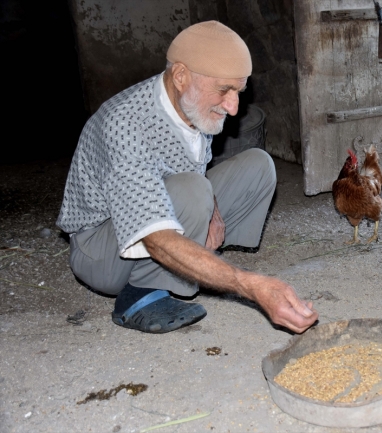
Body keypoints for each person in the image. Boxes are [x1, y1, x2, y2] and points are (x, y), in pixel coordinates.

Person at [57, 21, 318, 334]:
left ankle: (196, 262)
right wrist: (250, 285)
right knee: (192, 191)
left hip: (161, 211)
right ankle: (139, 296)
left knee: (258, 166)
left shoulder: (190, 103)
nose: (234, 107)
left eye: (238, 91)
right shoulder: (125, 124)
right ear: (180, 76)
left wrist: (214, 215)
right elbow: (154, 237)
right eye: (224, 90)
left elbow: (195, 168)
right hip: (103, 252)